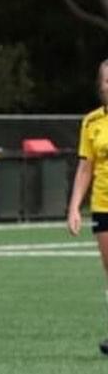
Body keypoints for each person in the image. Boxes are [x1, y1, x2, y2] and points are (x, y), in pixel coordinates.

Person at [67, 57, 108, 356]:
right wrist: (73, 208)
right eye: (107, 81)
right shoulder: (91, 122)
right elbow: (85, 168)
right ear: (100, 86)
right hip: (103, 204)